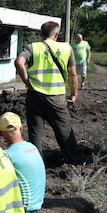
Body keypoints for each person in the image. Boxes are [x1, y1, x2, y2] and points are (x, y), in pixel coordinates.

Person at [14, 21, 86, 164]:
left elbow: (19, 62)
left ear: (41, 34)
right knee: (64, 128)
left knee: (35, 131)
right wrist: (74, 93)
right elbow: (72, 74)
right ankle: (74, 158)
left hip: (35, 95)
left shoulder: (32, 47)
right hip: (57, 97)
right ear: (57, 34)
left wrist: (27, 82)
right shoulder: (67, 48)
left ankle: (36, 162)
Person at [0, 112, 46, 213]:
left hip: (25, 208)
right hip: (38, 202)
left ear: (0, 133)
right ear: (21, 129)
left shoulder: (7, 155)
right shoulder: (32, 147)